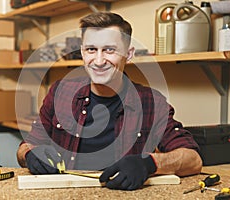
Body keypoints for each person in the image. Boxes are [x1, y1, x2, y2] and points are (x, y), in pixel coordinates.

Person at [17, 12, 202, 191]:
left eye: (109, 50)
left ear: (128, 54)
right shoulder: (60, 92)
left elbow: (193, 159)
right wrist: (30, 155)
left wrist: (149, 164)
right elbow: (26, 146)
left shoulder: (151, 102)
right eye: (91, 49)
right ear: (82, 52)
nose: (98, 61)